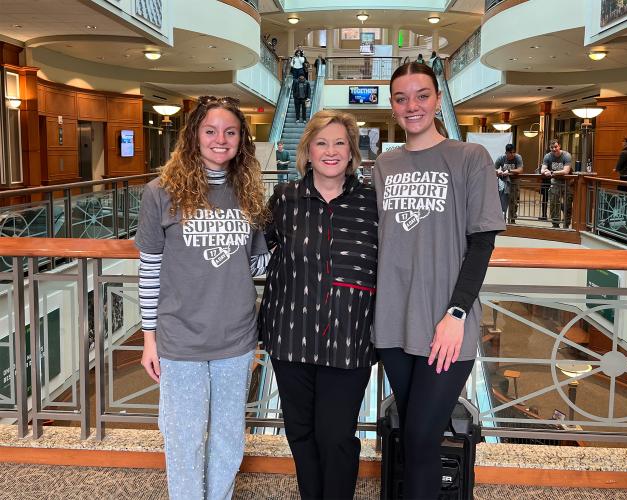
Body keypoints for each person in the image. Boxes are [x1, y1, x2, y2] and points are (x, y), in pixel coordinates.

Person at [373, 62, 505, 499]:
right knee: (414, 436)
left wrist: (456, 313)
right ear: (392, 107)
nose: (412, 106)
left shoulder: (470, 158)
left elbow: (481, 244)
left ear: (437, 99)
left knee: (421, 438)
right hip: (393, 323)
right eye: (401, 98)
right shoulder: (384, 165)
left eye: (422, 95)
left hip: (447, 326)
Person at [136, 96, 270, 500]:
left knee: (228, 437)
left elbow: (258, 265)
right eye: (210, 131)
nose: (220, 139)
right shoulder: (159, 192)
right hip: (180, 339)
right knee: (183, 438)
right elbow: (149, 270)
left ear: (241, 140)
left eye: (230, 132)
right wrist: (149, 338)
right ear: (194, 135)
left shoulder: (248, 192)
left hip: (236, 338)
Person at [259, 110, 378, 500]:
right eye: (322, 143)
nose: (331, 151)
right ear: (307, 150)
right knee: (301, 432)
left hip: (350, 338)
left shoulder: (372, 203)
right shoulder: (284, 199)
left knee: (337, 435)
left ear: (352, 151)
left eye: (340, 143)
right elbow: (256, 254)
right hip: (290, 334)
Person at [541, 139, 573, 228]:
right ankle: (555, 224)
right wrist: (545, 171)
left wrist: (551, 172)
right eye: (552, 147)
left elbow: (566, 171)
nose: (554, 149)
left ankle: (566, 224)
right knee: (554, 203)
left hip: (567, 182)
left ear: (559, 146)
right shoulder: (548, 156)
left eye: (555, 147)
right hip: (555, 182)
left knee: (567, 204)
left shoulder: (566, 155)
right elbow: (542, 169)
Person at [495, 143, 524, 223]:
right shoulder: (501, 158)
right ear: (506, 153)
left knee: (514, 200)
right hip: (504, 182)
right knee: (503, 199)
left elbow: (520, 170)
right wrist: (498, 171)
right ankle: (501, 218)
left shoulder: (518, 157)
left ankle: (512, 218)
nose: (512, 154)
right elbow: (493, 168)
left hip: (515, 182)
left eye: (513, 152)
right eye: (510, 153)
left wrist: (509, 171)